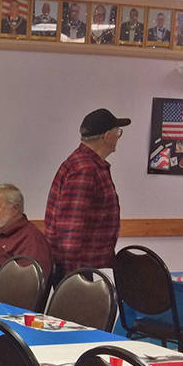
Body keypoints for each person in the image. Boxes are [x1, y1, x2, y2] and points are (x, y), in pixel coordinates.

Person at [44, 108, 130, 282]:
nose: (118, 138)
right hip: (82, 271)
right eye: (118, 133)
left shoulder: (84, 163)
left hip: (87, 267)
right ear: (106, 136)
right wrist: (75, 279)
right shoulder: (86, 169)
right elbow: (71, 229)